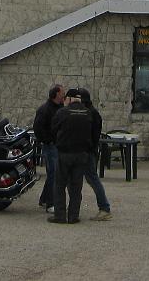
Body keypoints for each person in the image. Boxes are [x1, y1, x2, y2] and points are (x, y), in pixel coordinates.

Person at [48, 88, 93, 224]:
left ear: (69, 99)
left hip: (64, 153)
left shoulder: (62, 112)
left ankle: (60, 215)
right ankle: (73, 216)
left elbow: (53, 129)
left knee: (59, 185)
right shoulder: (87, 113)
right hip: (81, 153)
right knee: (76, 186)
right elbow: (92, 132)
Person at [78, 88, 111, 220]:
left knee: (92, 179)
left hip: (87, 151)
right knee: (87, 178)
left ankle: (104, 208)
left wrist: (87, 147)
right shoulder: (90, 112)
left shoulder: (90, 113)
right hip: (87, 150)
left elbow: (92, 135)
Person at [34, 83, 65, 211]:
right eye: (62, 92)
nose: (64, 94)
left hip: (57, 144)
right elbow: (38, 128)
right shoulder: (45, 110)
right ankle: (51, 203)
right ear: (57, 94)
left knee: (53, 173)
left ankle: (44, 199)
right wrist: (48, 140)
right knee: (54, 173)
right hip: (51, 145)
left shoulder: (60, 108)